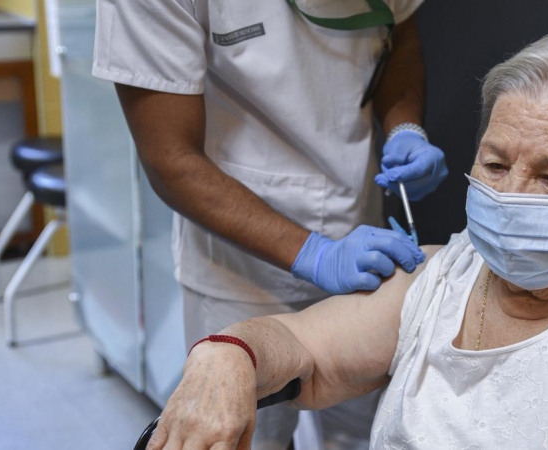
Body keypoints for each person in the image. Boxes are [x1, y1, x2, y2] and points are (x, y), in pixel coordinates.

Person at [143, 32, 548, 450]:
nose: (511, 195)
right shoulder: (450, 271)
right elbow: (304, 349)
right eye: (495, 166)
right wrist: (227, 353)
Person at [92, 0, 447, 449]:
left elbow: (401, 41)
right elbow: (170, 158)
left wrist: (404, 127)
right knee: (246, 433)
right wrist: (313, 253)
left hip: (363, 241)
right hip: (238, 266)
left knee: (371, 433)